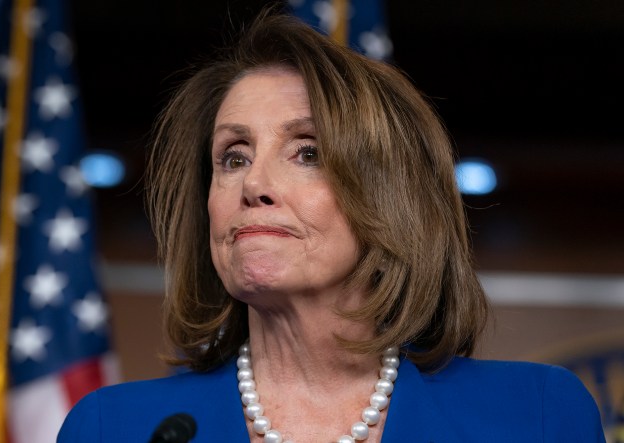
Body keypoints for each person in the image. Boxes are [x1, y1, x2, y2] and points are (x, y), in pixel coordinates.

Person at [57, 9, 604, 443]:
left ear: (391, 199)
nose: (253, 184)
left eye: (307, 152)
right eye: (233, 156)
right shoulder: (115, 428)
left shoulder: (535, 414)